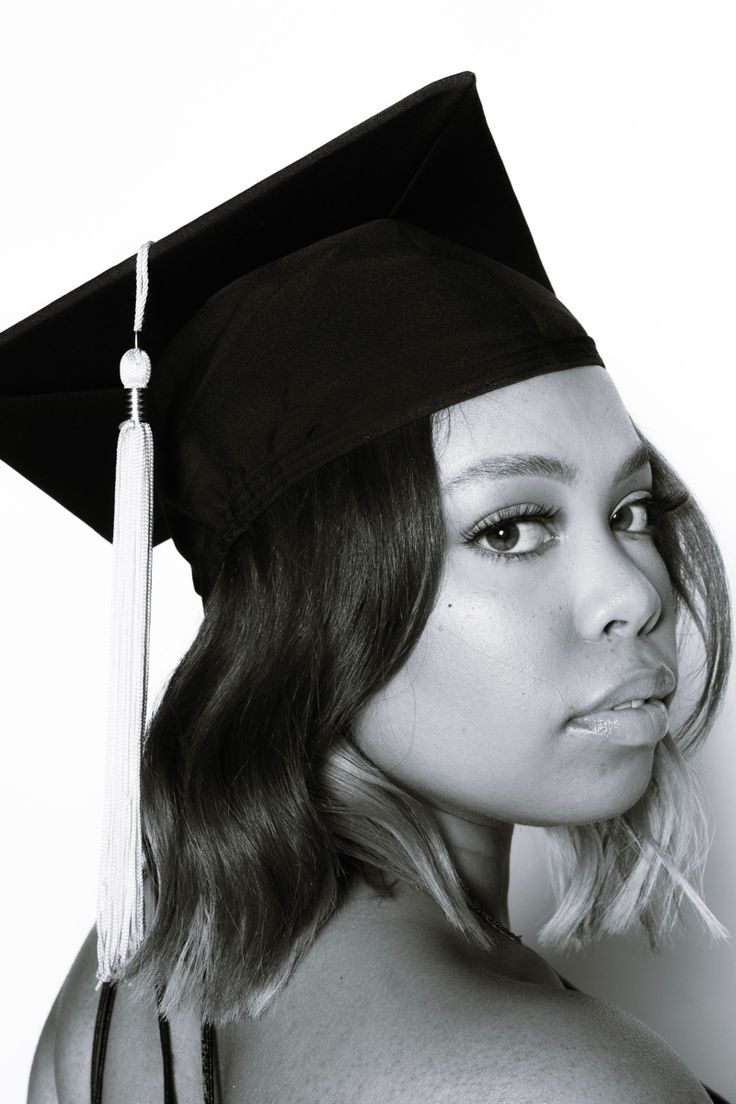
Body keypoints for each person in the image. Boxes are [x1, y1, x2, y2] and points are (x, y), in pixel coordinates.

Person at [4, 72, 730, 1103]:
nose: (636, 593)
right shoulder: (554, 1081)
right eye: (509, 528)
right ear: (309, 610)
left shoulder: (126, 990)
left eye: (631, 511)